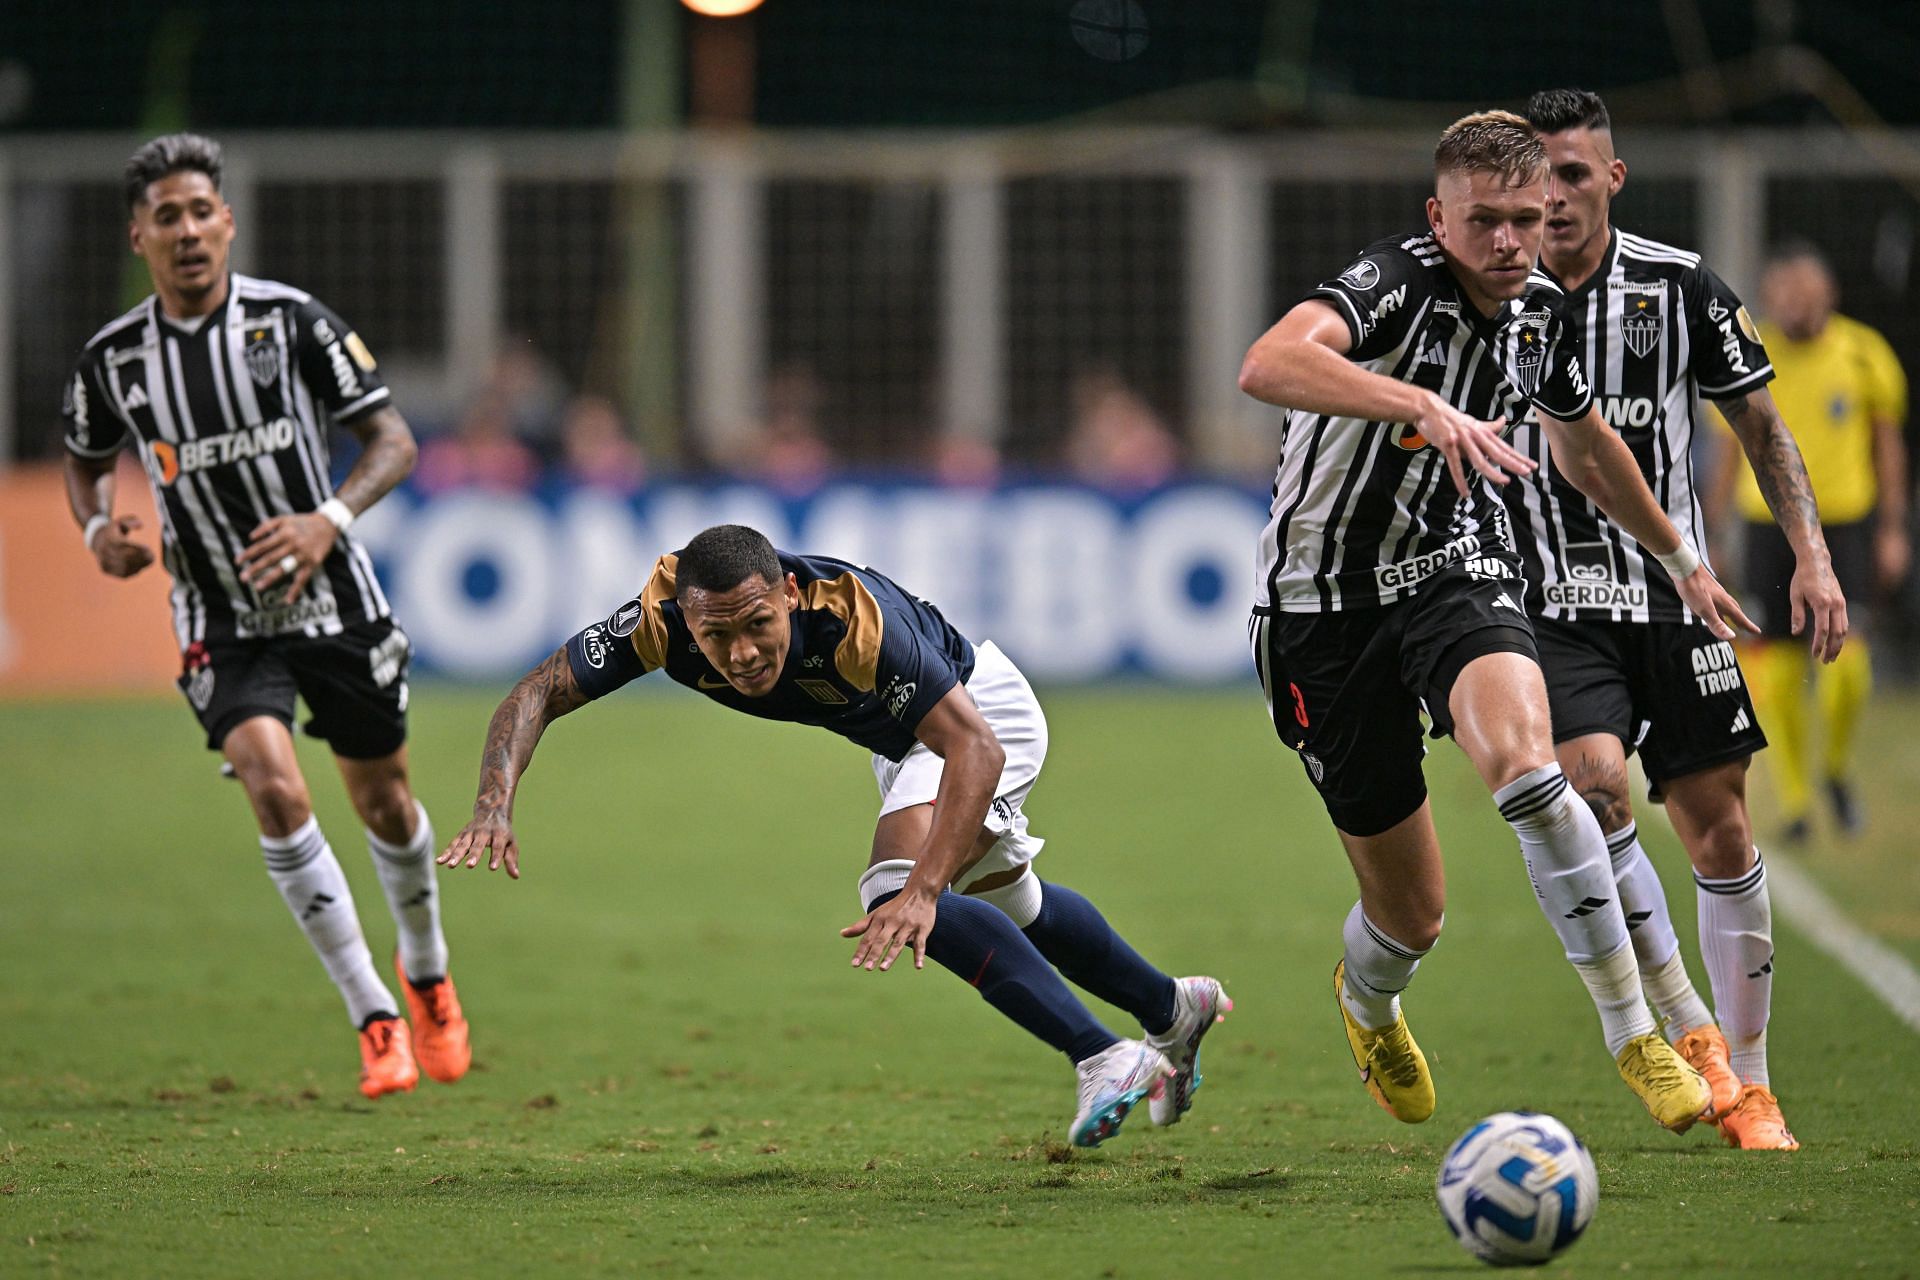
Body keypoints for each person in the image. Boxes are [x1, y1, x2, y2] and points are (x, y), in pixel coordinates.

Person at [1237, 110, 1755, 1134]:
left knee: (1531, 762)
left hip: (1446, 572)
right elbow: (1266, 363)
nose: (1512, 243)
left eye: (1528, 219)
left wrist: (1682, 558)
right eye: (1487, 222)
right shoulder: (1396, 283)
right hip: (1320, 613)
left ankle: (1635, 1033)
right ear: (1441, 217)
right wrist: (1415, 405)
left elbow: (1588, 445)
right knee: (1412, 913)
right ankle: (1369, 1000)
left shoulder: (1535, 316)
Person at [438, 523, 1229, 1148]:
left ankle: (1103, 1055)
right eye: (717, 637)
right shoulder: (658, 620)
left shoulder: (851, 621)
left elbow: (974, 747)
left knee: (897, 889)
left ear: (788, 591)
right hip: (905, 746)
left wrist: (923, 889)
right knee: (1015, 904)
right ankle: (1171, 1008)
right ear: (686, 618)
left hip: (979, 720)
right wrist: (493, 802)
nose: (742, 654)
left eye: (758, 624)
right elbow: (542, 686)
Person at [61, 133, 470, 1099]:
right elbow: (82, 457)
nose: (189, 230)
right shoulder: (113, 361)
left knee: (385, 803)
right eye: (168, 216)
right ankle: (373, 1012)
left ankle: (427, 972)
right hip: (218, 615)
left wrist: (328, 520)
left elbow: (393, 439)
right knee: (274, 787)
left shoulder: (291, 324)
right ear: (139, 237)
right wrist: (94, 533)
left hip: (334, 604)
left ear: (228, 222)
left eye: (202, 211)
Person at [1513, 89, 1846, 1151]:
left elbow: (1758, 419)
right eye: (1540, 175)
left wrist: (1812, 553)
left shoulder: (1680, 285)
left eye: (1576, 173)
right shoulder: (1495, 297)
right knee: (1595, 784)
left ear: (1613, 178)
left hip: (1678, 592)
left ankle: (1750, 1080)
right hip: (1553, 594)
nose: (1556, 196)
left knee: (1721, 825)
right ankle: (1687, 1029)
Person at [1711, 241, 1909, 842]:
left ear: (1830, 294)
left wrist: (1894, 527)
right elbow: (1727, 444)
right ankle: (1796, 801)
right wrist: (1713, 528)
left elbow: (1887, 444)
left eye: (1807, 290)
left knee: (1849, 660)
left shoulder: (1864, 353)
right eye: (1784, 291)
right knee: (1778, 660)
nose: (1796, 303)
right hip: (1764, 522)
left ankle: (1835, 767)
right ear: (1769, 297)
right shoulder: (1749, 350)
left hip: (1845, 524)